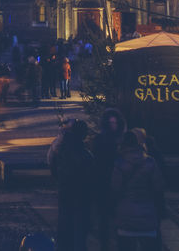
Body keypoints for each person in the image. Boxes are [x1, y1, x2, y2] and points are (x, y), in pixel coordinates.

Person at [108, 130, 165, 250]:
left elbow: (115, 189)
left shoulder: (119, 163)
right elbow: (158, 187)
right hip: (147, 214)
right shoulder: (150, 162)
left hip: (125, 214)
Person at [51, 119, 94, 251]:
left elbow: (54, 169)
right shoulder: (85, 155)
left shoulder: (61, 150)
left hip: (65, 193)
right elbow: (90, 178)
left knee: (64, 228)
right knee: (79, 233)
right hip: (80, 196)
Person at [91, 108, 128, 250]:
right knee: (104, 219)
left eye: (116, 122)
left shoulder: (121, 140)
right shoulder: (100, 140)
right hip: (103, 183)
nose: (114, 125)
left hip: (118, 183)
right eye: (111, 122)